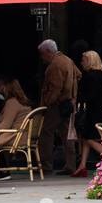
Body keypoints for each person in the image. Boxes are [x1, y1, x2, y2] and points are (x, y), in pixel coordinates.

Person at [38, 38, 81, 175]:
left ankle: (46, 165)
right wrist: (73, 94)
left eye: (42, 54)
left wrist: (47, 102)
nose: (42, 57)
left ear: (48, 52)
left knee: (46, 133)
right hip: (68, 103)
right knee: (67, 134)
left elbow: (56, 87)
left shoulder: (55, 65)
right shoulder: (68, 60)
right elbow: (78, 75)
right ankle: (70, 165)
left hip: (57, 104)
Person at [71, 50, 102, 178]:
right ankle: (82, 166)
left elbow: (89, 95)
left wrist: (78, 99)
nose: (81, 62)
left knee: (89, 137)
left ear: (89, 61)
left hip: (92, 111)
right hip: (100, 109)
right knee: (86, 138)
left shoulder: (90, 76)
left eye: (83, 60)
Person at [0, 78, 33, 181]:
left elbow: (6, 124)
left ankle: (2, 171)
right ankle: (2, 169)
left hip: (16, 137)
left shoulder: (12, 102)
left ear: (8, 89)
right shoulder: (24, 101)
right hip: (25, 136)